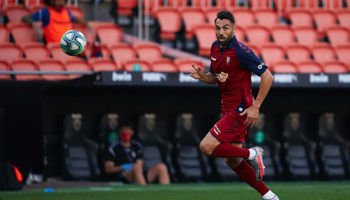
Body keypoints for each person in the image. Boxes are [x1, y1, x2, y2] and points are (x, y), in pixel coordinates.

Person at [190, 11, 278, 200]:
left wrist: (256, 107)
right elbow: (218, 77)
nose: (221, 32)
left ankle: (253, 153)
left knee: (206, 147)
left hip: (240, 109)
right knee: (233, 160)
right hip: (227, 108)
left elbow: (268, 77)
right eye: (218, 28)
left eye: (225, 28)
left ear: (234, 29)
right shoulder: (214, 48)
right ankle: (269, 195)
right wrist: (203, 77)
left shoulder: (241, 52)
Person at [104, 122, 170, 185]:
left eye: (128, 129)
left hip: (138, 173)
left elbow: (139, 163)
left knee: (162, 167)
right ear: (119, 132)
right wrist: (122, 167)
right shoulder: (113, 147)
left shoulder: (136, 146)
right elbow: (108, 169)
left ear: (132, 132)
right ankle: (144, 192)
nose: (125, 132)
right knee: (136, 167)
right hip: (123, 175)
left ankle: (166, 194)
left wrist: (135, 168)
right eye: (123, 130)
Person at [21, 0, 93, 44]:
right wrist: (34, 23)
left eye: (63, 1)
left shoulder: (66, 12)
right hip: (54, 48)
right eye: (59, 0)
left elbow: (74, 18)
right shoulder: (45, 12)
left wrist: (86, 23)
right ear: (52, 1)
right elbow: (25, 18)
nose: (62, 3)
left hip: (69, 46)